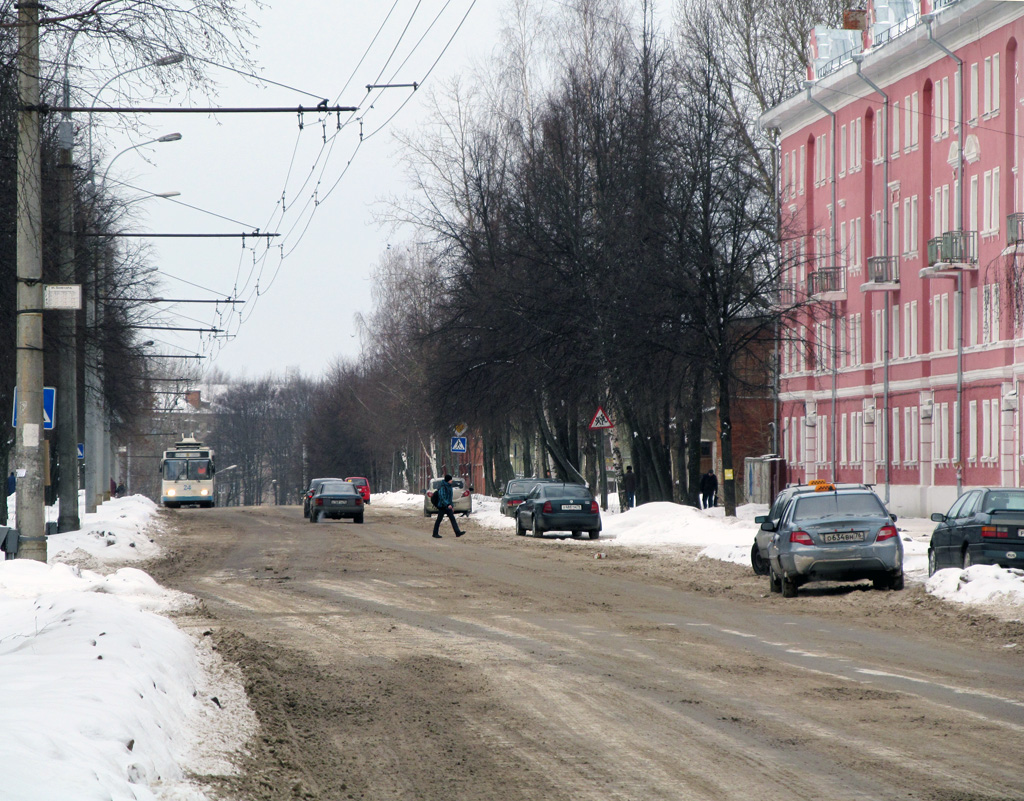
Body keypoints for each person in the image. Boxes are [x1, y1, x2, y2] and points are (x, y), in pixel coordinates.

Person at [432, 474, 466, 539]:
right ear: (448, 480)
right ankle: (435, 533)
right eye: (450, 479)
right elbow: (442, 497)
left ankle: (457, 532)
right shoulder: (443, 487)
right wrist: (448, 504)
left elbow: (449, 498)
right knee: (439, 520)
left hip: (447, 506)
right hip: (442, 506)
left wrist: (451, 506)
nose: (451, 481)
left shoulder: (449, 486)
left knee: (452, 519)